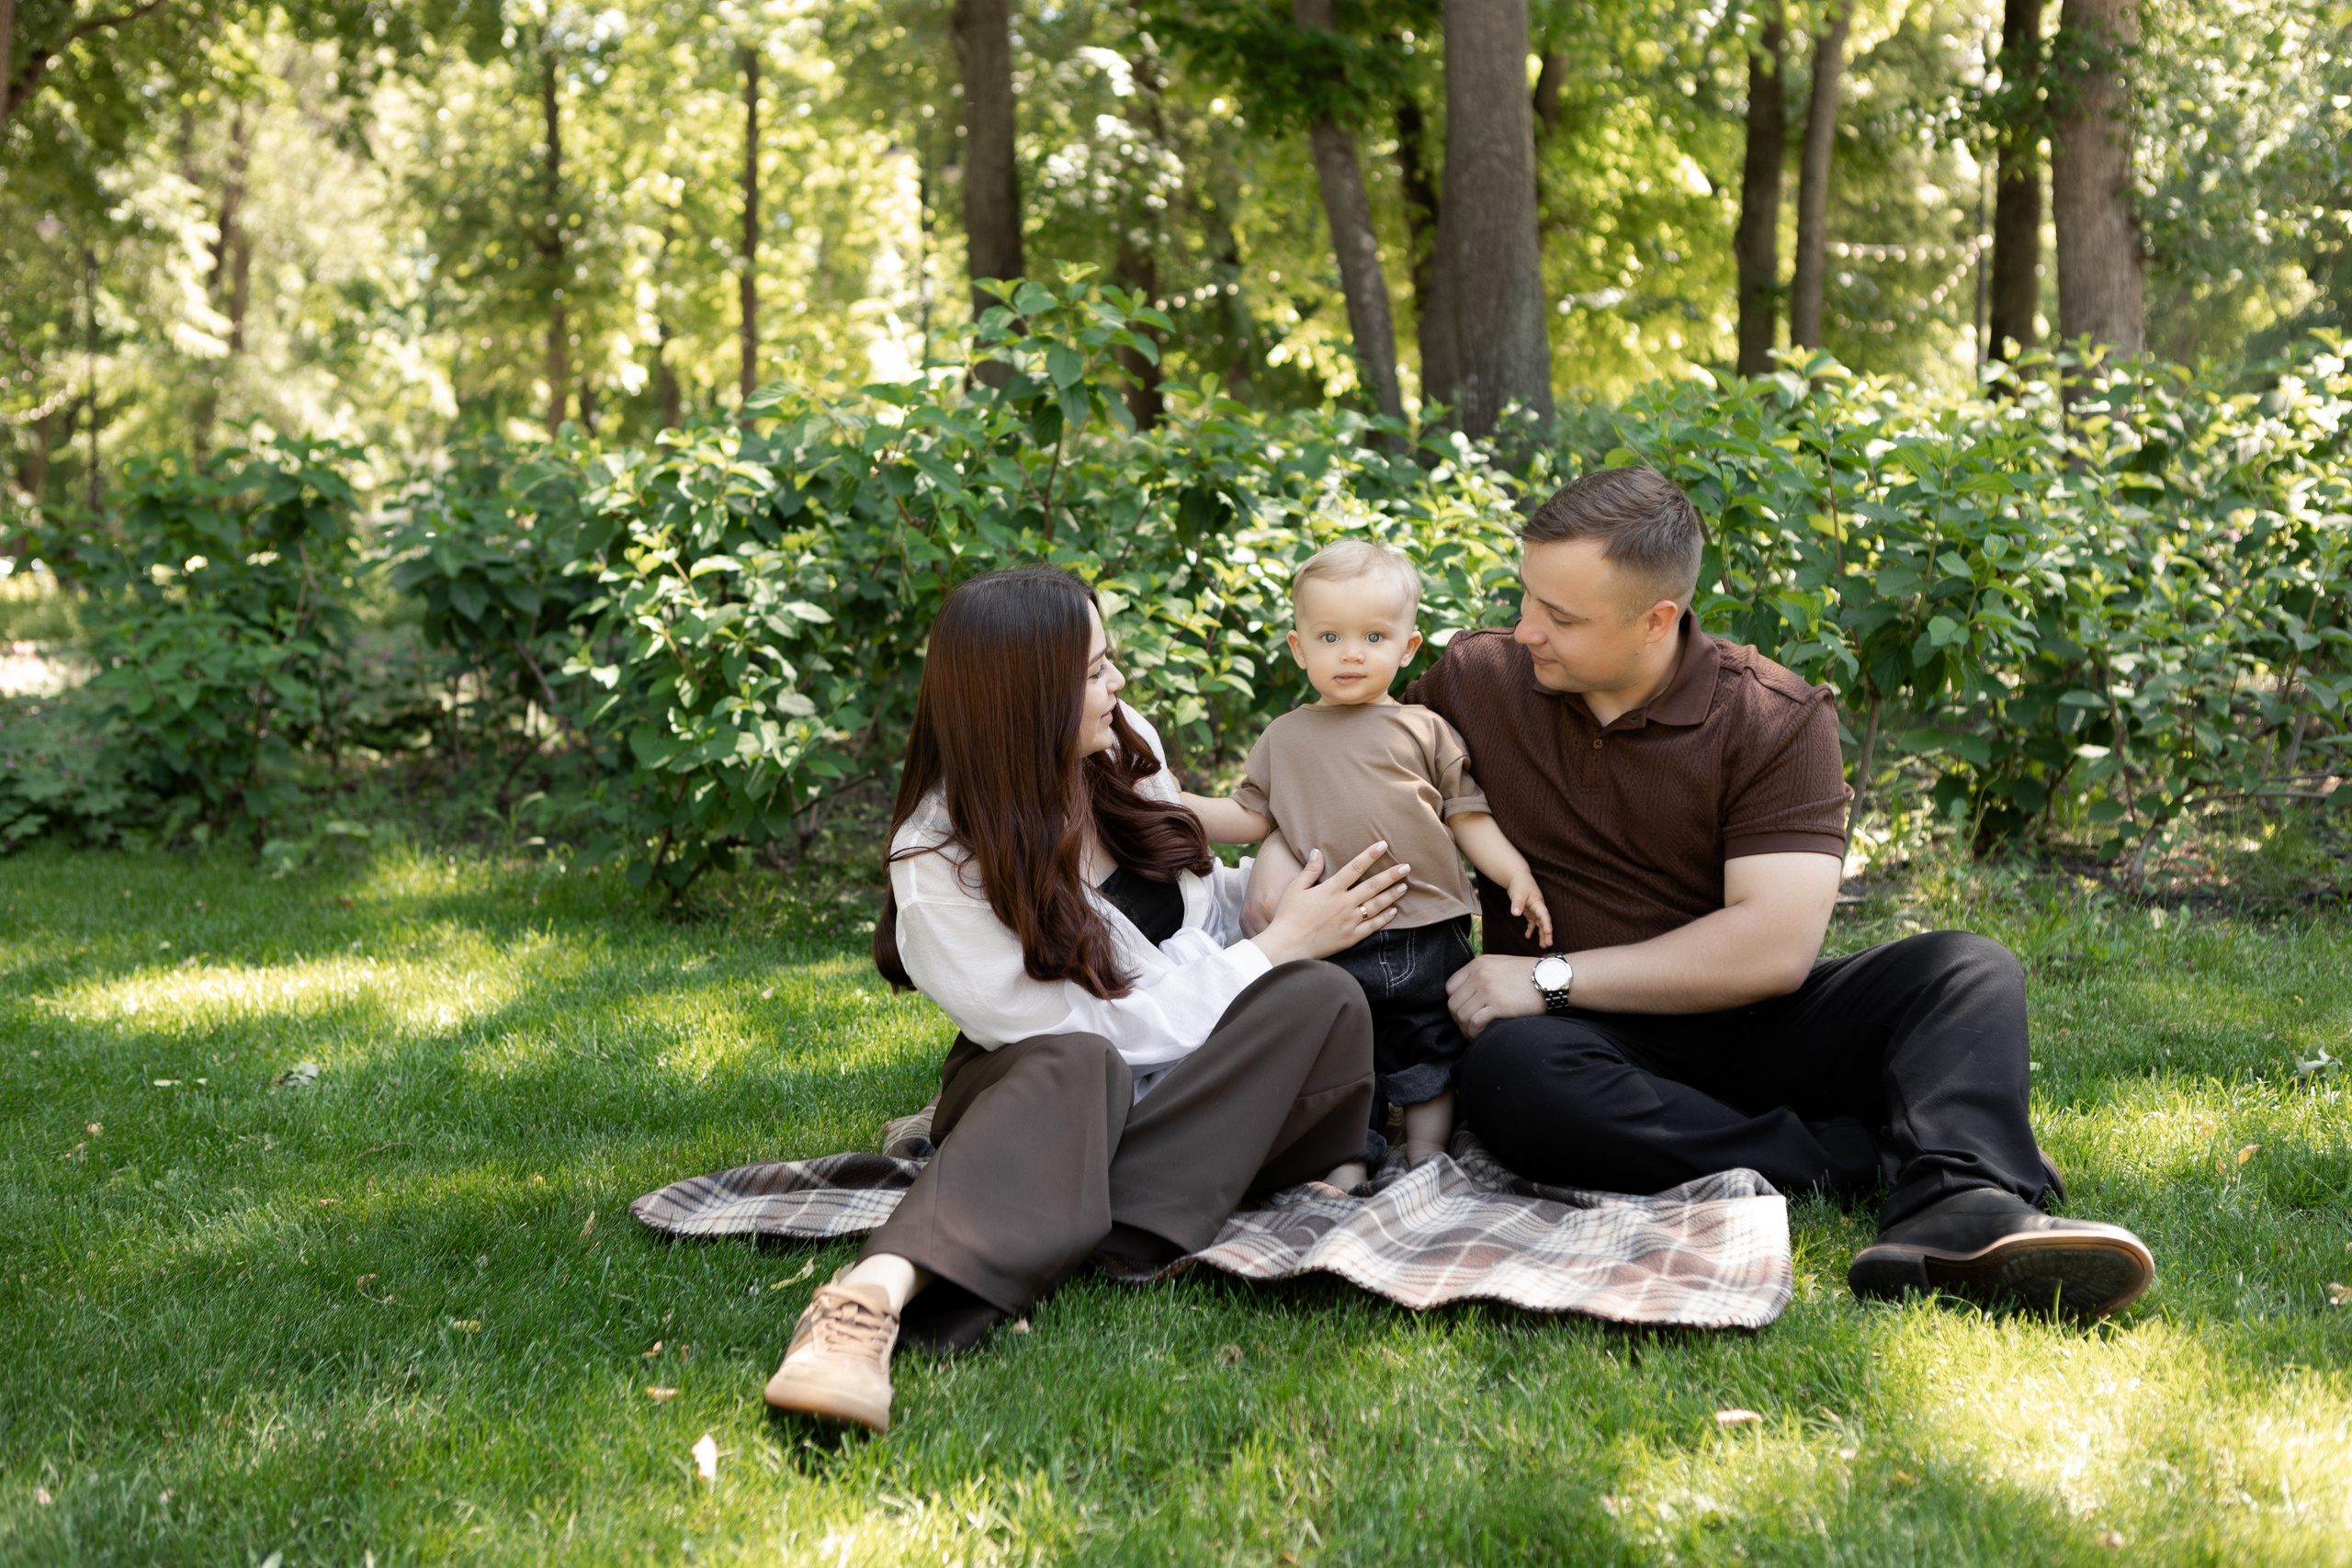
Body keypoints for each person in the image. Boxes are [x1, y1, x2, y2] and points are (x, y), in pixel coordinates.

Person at [1246, 467, 2156, 1321]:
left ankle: (1964, 1209)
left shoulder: (1772, 715)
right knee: (1509, 1080)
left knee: (1965, 969)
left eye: (1559, 615)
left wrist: (1549, 977)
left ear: (1656, 620)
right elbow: (1347, 762)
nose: (1526, 628)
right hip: (1586, 1051)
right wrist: (1283, 865)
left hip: (1755, 1018)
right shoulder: (1479, 681)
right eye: (1525, 597)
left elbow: (1769, 950)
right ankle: (1870, 1155)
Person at [762, 566, 1411, 1434]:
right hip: (1048, 1091)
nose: (1119, 687)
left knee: (1325, 998)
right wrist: (1277, 944)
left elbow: (1196, 899)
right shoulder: (938, 866)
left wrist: (1292, 893)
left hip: (1179, 1087)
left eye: (1111, 662)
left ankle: (1062, 1215)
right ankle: (866, 1302)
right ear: (1027, 700)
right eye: (1097, 671)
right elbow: (1098, 1027)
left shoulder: (1118, 746)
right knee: (1083, 1062)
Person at [1182, 539, 1552, 1170]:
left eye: (1374, 637)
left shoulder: (1423, 728)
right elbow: (1249, 816)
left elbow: (1466, 814)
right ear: (1299, 648)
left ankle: (1428, 1157)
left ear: (1407, 647)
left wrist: (1514, 871)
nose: (1351, 653)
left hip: (1426, 925)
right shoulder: (1285, 736)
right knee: (1343, 1049)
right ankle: (1351, 1155)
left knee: (1428, 1044)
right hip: (1328, 928)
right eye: (1329, 638)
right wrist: (1175, 802)